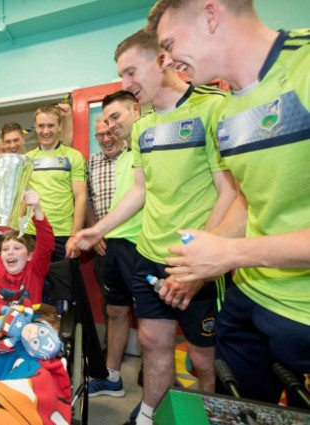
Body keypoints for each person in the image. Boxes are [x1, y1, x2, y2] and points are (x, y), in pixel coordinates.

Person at [149, 0, 310, 407]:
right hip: (248, 300)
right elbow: (246, 197)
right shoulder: (228, 106)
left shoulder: (305, 67)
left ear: (210, 14)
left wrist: (231, 253)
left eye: (169, 43)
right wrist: (202, 263)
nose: (166, 60)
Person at [74, 29, 236, 425]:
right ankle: (149, 413)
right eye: (121, 75)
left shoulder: (212, 107)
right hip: (149, 254)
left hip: (194, 259)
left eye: (131, 73)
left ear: (162, 60)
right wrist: (99, 230)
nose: (125, 85)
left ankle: (207, 416)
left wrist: (197, 263)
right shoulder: (143, 128)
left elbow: (230, 192)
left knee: (202, 356)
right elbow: (140, 192)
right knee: (152, 341)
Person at [85, 91, 143, 399]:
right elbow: (90, 202)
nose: (107, 136)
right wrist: (96, 234)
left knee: (152, 319)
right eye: (101, 133)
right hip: (108, 247)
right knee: (116, 312)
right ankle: (112, 376)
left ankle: (155, 379)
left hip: (141, 246)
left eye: (111, 127)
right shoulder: (93, 162)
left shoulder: (136, 153)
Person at [0, 189, 54, 315]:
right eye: (5, 249)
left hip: (28, 326)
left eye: (17, 248)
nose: (10, 252)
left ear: (29, 256)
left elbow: (46, 245)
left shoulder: (35, 268)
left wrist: (37, 208)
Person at [26, 105, 87, 260]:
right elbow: (22, 198)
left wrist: (75, 235)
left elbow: (81, 197)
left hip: (63, 234)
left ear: (60, 126)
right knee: (34, 284)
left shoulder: (73, 156)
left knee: (64, 283)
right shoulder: (26, 159)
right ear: (35, 127)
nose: (45, 131)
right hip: (32, 234)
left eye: (51, 125)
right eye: (41, 126)